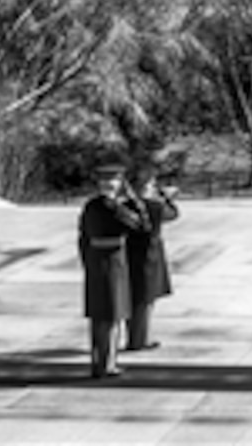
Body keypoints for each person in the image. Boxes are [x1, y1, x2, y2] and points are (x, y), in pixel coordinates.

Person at [78, 161, 149, 378]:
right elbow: (142, 226)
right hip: (113, 263)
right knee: (112, 315)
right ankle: (107, 364)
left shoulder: (90, 206)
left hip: (94, 262)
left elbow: (82, 238)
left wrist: (87, 262)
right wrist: (135, 201)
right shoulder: (114, 208)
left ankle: (97, 362)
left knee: (98, 317)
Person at [123, 163, 180, 352]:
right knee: (145, 301)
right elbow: (173, 214)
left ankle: (135, 337)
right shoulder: (154, 206)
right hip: (150, 257)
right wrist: (166, 197)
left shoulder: (125, 206)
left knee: (133, 299)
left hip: (129, 255)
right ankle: (139, 340)